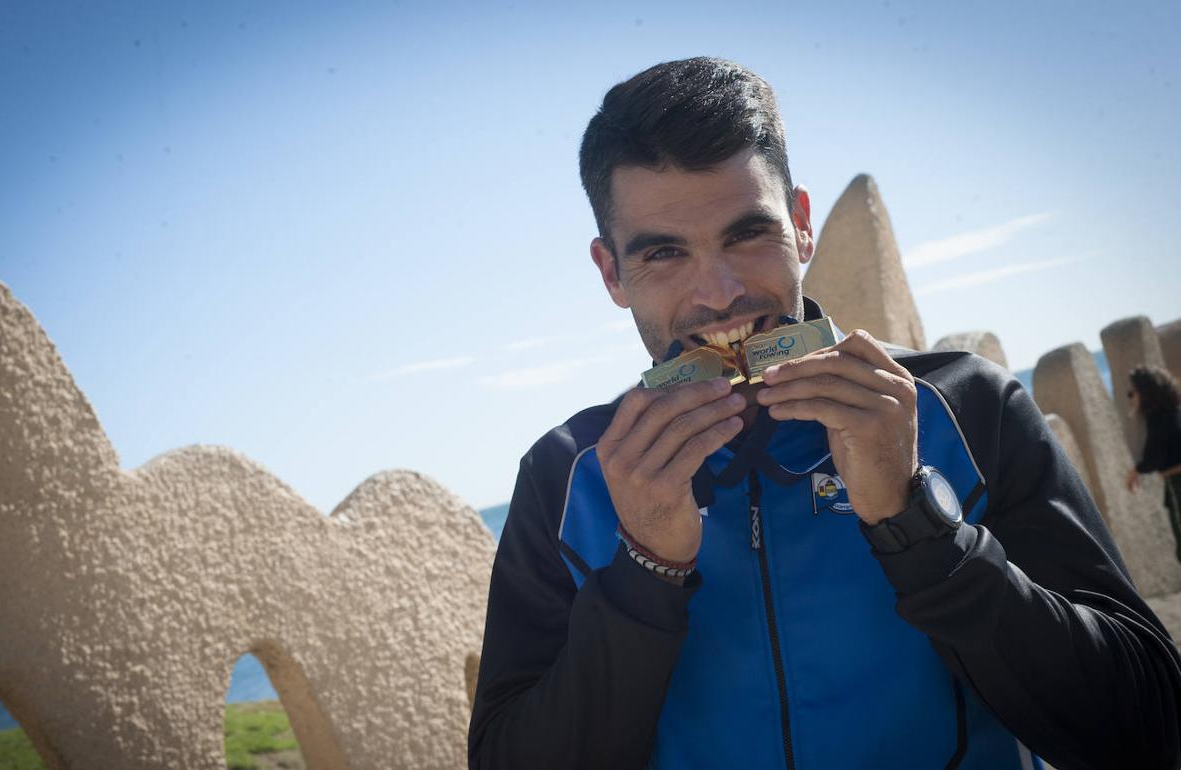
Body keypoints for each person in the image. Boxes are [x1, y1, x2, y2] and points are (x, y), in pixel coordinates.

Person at [468, 57, 1181, 770]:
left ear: (801, 226)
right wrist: (643, 569)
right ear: (611, 274)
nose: (718, 295)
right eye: (663, 253)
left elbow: (1150, 728)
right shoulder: (566, 475)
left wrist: (917, 526)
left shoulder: (968, 406)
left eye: (748, 235)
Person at [1125, 364, 1181, 563]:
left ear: (1145, 392)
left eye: (1132, 392)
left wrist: (1135, 470)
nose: (1130, 397)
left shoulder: (1158, 418)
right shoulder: (1173, 411)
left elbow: (1155, 457)